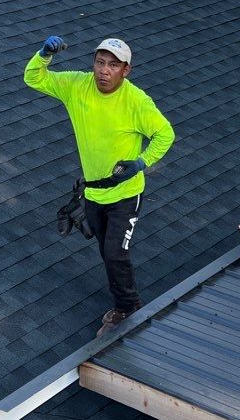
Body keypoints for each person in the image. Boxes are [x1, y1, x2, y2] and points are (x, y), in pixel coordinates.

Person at [24, 35, 175, 336]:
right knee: (107, 252)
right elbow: (33, 79)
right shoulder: (77, 85)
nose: (104, 71)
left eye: (113, 65)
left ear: (126, 71)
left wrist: (142, 162)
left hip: (125, 194)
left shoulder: (136, 102)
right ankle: (123, 298)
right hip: (93, 192)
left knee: (116, 253)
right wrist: (43, 55)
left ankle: (127, 307)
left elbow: (165, 134)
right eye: (100, 62)